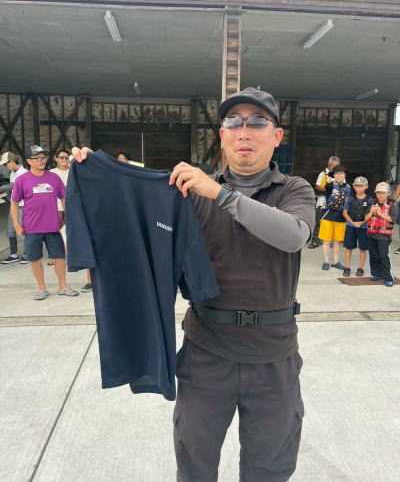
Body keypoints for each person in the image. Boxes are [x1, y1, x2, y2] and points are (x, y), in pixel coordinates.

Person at [73, 87, 315, 482]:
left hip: (274, 356)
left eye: (257, 122)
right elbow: (134, 205)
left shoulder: (293, 190)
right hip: (207, 353)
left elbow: (293, 235)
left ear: (276, 136)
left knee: (269, 468)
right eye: (233, 122)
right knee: (195, 464)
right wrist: (96, 173)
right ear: (222, 135)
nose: (244, 132)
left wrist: (220, 193)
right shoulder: (191, 193)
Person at [10, 145, 79, 300]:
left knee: (59, 257)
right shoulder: (21, 180)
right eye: (37, 158)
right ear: (29, 161)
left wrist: (68, 217)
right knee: (35, 258)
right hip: (31, 227)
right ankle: (42, 288)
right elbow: (14, 204)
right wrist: (16, 224)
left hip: (53, 226)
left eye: (43, 158)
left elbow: (64, 198)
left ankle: (63, 286)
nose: (42, 161)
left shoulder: (54, 178)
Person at [50, 149, 92, 292]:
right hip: (57, 210)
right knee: (60, 243)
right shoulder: (52, 174)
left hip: (73, 210)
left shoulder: (75, 171)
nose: (64, 160)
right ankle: (63, 282)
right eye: (61, 158)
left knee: (83, 241)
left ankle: (89, 279)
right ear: (56, 159)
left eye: (66, 158)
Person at [318, 164, 351, 271]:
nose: (339, 175)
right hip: (328, 215)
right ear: (334, 175)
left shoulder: (348, 187)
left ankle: (336, 261)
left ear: (345, 175)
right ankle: (326, 261)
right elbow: (321, 186)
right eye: (337, 173)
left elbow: (348, 202)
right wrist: (327, 177)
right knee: (326, 240)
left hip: (341, 217)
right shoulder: (329, 185)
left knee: (338, 241)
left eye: (341, 173)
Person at [365, 182, 398, 287]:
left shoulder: (392, 205)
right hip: (371, 234)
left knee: (383, 256)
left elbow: (392, 219)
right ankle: (376, 274)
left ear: (388, 193)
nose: (380, 195)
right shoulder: (372, 203)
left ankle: (388, 277)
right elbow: (365, 218)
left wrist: (380, 214)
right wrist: (371, 212)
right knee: (373, 255)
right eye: (378, 192)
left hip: (384, 236)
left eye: (383, 193)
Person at [342, 176, 373, 277]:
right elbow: (345, 212)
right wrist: (352, 222)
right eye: (357, 186)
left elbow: (370, 214)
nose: (359, 188)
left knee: (363, 248)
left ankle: (361, 268)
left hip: (363, 227)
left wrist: (362, 222)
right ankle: (347, 267)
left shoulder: (370, 200)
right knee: (348, 247)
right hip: (351, 226)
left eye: (361, 186)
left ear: (366, 186)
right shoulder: (350, 199)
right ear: (353, 186)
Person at [0, 151, 28, 264]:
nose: (5, 167)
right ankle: (13, 255)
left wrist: (1, 189)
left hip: (23, 206)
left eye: (6, 164)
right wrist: (4, 196)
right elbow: (12, 191)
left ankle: (27, 254)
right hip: (14, 205)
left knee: (23, 231)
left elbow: (14, 186)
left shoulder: (24, 173)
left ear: (11, 161)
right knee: (10, 231)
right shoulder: (12, 174)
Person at [308, 155, 341, 249]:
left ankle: (331, 241)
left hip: (335, 201)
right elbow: (317, 186)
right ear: (329, 164)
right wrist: (328, 188)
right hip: (323, 200)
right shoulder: (323, 174)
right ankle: (315, 241)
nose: (334, 167)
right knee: (319, 220)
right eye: (333, 165)